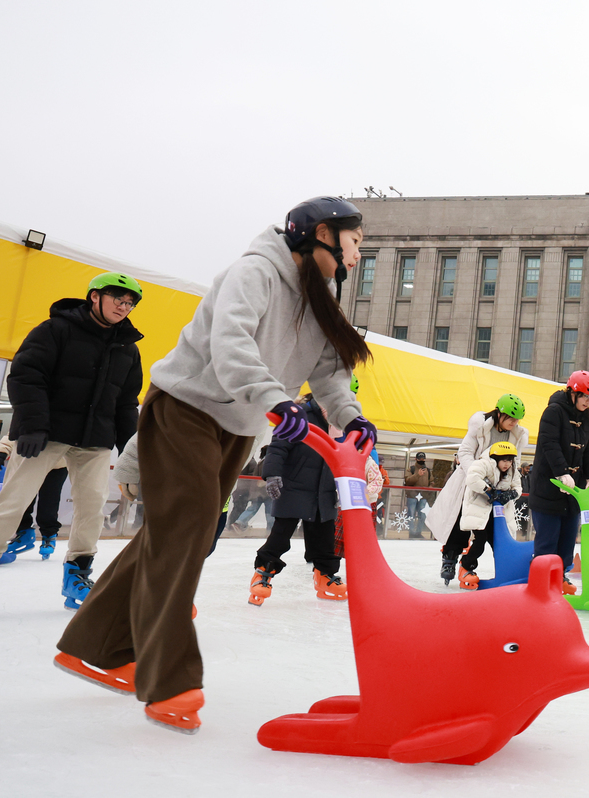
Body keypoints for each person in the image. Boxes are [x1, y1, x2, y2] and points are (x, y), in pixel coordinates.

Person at [56, 196, 375, 734]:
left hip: (236, 427)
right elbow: (231, 346)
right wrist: (277, 402)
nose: (358, 255)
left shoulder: (317, 300)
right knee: (184, 531)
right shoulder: (255, 272)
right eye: (356, 241)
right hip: (186, 408)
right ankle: (169, 678)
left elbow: (330, 373)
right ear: (322, 233)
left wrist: (350, 417)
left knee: (182, 532)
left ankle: (96, 647)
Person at [0, 272, 144, 610]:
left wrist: (130, 449)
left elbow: (125, 403)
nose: (124, 307)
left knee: (93, 506)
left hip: (94, 442)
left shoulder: (128, 349)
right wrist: (33, 425)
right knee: (12, 503)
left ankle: (77, 574)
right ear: (95, 296)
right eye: (118, 299)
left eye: (129, 303)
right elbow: (25, 374)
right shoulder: (56, 330)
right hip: (45, 435)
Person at [249, 393, 345, 605]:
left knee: (324, 538)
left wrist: (343, 486)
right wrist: (272, 474)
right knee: (280, 536)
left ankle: (325, 578)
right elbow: (278, 446)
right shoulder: (299, 415)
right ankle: (262, 575)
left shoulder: (340, 423)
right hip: (294, 487)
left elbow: (344, 457)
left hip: (325, 491)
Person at [427, 394, 530, 570]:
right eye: (511, 418)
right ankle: (450, 558)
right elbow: (465, 452)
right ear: (499, 413)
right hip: (471, 482)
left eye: (517, 419)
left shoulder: (517, 434)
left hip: (498, 487)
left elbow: (515, 462)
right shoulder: (481, 426)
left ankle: (503, 564)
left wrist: (511, 485)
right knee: (461, 520)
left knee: (495, 527)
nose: (514, 423)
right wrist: (477, 475)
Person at [529, 371, 589, 595]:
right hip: (549, 487)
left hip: (573, 490)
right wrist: (561, 472)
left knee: (567, 539)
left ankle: (560, 576)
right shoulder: (554, 412)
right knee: (547, 540)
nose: (588, 403)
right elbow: (549, 444)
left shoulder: (588, 418)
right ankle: (541, 582)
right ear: (573, 392)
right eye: (585, 398)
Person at [441, 442, 522, 589]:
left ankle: (505, 572)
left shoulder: (513, 470)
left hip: (498, 513)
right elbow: (472, 478)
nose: (507, 464)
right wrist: (488, 490)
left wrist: (511, 494)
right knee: (480, 542)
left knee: (499, 544)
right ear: (495, 458)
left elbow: (518, 487)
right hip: (479, 510)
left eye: (510, 460)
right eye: (504, 460)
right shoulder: (483, 464)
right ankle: (466, 566)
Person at [0, 434, 67, 563]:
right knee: (21, 500)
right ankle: (24, 531)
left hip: (56, 466)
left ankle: (49, 535)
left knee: (48, 502)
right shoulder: (32, 415)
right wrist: (2, 451)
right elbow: (15, 432)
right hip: (30, 460)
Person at [404, 452, 435, 539]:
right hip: (412, 496)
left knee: (422, 515)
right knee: (411, 514)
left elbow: (431, 481)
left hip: (423, 496)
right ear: (416, 459)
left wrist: (430, 488)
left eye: (423, 459)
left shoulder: (428, 471)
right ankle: (411, 532)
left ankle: (418, 532)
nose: (422, 460)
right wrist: (418, 475)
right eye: (420, 459)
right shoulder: (411, 469)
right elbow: (408, 481)